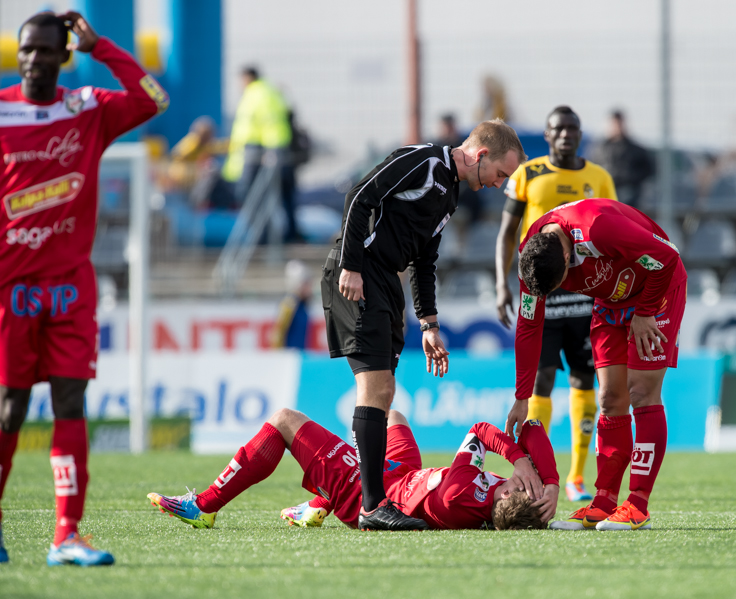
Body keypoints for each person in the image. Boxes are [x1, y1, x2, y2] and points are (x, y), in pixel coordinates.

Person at [0, 11, 168, 566]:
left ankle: (66, 535)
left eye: (46, 50)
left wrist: (104, 48)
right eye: (27, 49)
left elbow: (152, 100)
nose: (34, 59)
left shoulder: (87, 107)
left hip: (71, 288)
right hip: (11, 289)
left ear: (63, 56)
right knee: (9, 409)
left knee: (70, 401)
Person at [324, 119, 527, 530]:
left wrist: (429, 323)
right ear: (481, 155)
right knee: (376, 387)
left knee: (383, 390)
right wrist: (350, 266)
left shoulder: (449, 195)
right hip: (360, 275)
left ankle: (370, 502)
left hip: (385, 283)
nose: (499, 183)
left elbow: (424, 260)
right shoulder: (427, 161)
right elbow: (359, 195)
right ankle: (371, 506)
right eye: (501, 174)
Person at [506, 198, 686, 532]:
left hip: (655, 293)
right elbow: (529, 326)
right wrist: (522, 396)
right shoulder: (532, 257)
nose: (557, 291)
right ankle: (604, 501)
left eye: (559, 285)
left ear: (565, 256)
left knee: (641, 393)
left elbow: (667, 257)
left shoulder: (598, 229)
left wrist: (645, 312)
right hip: (611, 300)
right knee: (609, 399)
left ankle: (637, 505)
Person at [147, 408, 559, 531]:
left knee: (284, 421)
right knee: (392, 414)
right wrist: (551, 483)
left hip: (369, 492)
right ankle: (315, 504)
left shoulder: (463, 490)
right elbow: (533, 426)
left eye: (519, 486)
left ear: (505, 495)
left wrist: (521, 461)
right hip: (403, 477)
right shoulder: (506, 501)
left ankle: (204, 506)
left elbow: (480, 430)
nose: (522, 483)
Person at [495, 106, 618, 503]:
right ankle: (537, 466)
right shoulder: (527, 174)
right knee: (542, 380)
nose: (565, 135)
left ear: (581, 134)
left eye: (572, 128)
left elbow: (610, 229)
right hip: (542, 289)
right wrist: (502, 284)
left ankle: (578, 476)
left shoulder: (599, 178)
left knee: (584, 380)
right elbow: (506, 234)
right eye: (557, 129)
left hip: (584, 291)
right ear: (546, 137)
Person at [221, 66, 301, 242]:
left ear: (247, 78)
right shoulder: (267, 92)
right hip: (266, 151)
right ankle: (284, 235)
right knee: (281, 196)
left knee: (253, 196)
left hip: (258, 153)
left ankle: (264, 237)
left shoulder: (257, 94)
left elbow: (269, 125)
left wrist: (272, 152)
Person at [593, 110, 655, 208]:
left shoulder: (635, 149)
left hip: (627, 192)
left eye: (619, 124)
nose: (616, 127)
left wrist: (631, 179)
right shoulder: (600, 149)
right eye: (613, 124)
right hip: (606, 191)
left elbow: (649, 169)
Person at [270, 260, 312, 349]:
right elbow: (278, 332)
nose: (309, 288)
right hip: (290, 358)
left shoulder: (303, 305)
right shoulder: (289, 305)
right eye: (306, 284)